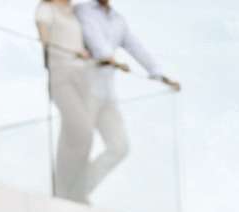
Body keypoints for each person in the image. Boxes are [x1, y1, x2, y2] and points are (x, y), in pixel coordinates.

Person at [74, 0, 181, 200]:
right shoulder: (83, 10)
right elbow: (94, 41)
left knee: (120, 147)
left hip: (107, 95)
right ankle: (71, 191)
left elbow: (136, 48)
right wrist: (111, 58)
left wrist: (159, 74)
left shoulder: (118, 20)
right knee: (81, 144)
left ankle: (80, 187)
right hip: (85, 90)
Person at [36, 0, 93, 202]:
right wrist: (67, 51)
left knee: (71, 136)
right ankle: (67, 189)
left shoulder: (74, 12)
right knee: (83, 131)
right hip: (61, 76)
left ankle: (69, 190)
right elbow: (44, 39)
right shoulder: (46, 9)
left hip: (81, 78)